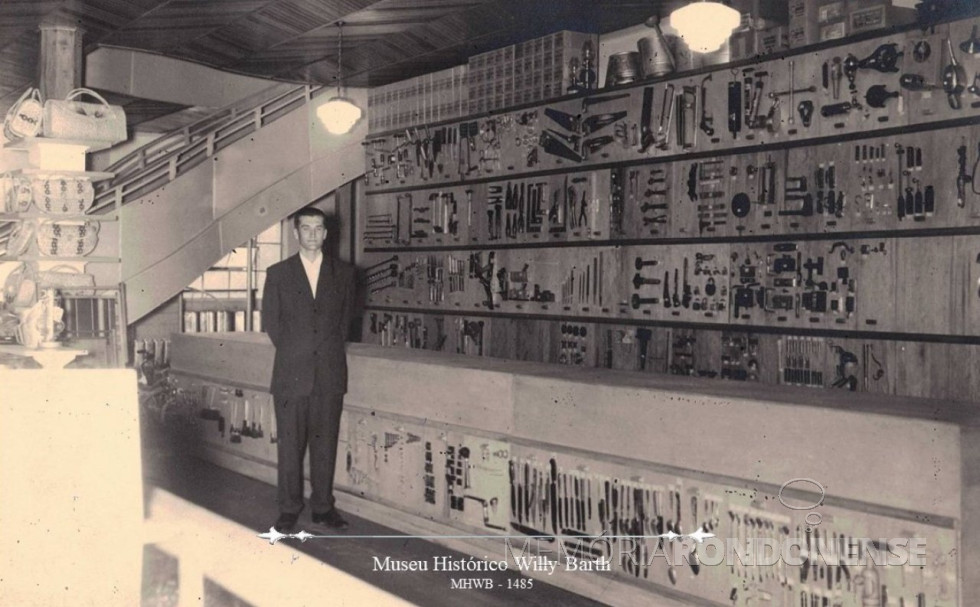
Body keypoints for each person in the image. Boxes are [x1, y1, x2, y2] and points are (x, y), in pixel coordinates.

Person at [261, 207, 356, 532]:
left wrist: (324, 356)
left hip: (329, 375)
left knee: (325, 444)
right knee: (289, 446)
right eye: (306, 228)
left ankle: (322, 508)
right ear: (296, 233)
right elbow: (272, 324)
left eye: (319, 228)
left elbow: (344, 325)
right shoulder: (278, 273)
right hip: (291, 375)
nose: (313, 234)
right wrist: (299, 354)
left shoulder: (343, 274)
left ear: (326, 234)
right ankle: (288, 509)